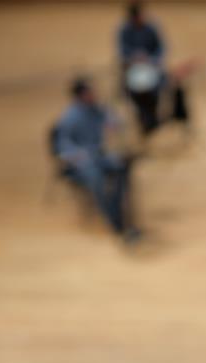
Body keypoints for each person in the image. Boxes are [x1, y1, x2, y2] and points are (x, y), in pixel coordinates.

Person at [52, 77, 141, 243]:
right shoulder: (70, 117)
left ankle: (123, 216)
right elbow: (62, 146)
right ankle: (117, 224)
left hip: (101, 156)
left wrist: (118, 121)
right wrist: (80, 156)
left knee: (122, 169)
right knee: (98, 181)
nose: (94, 95)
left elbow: (116, 123)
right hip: (82, 163)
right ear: (80, 96)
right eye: (90, 93)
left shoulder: (100, 109)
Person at [117, 2, 191, 136]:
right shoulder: (124, 30)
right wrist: (133, 59)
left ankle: (155, 118)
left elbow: (162, 49)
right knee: (134, 91)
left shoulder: (152, 27)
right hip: (132, 70)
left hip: (153, 67)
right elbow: (122, 52)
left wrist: (150, 60)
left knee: (166, 87)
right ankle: (144, 119)